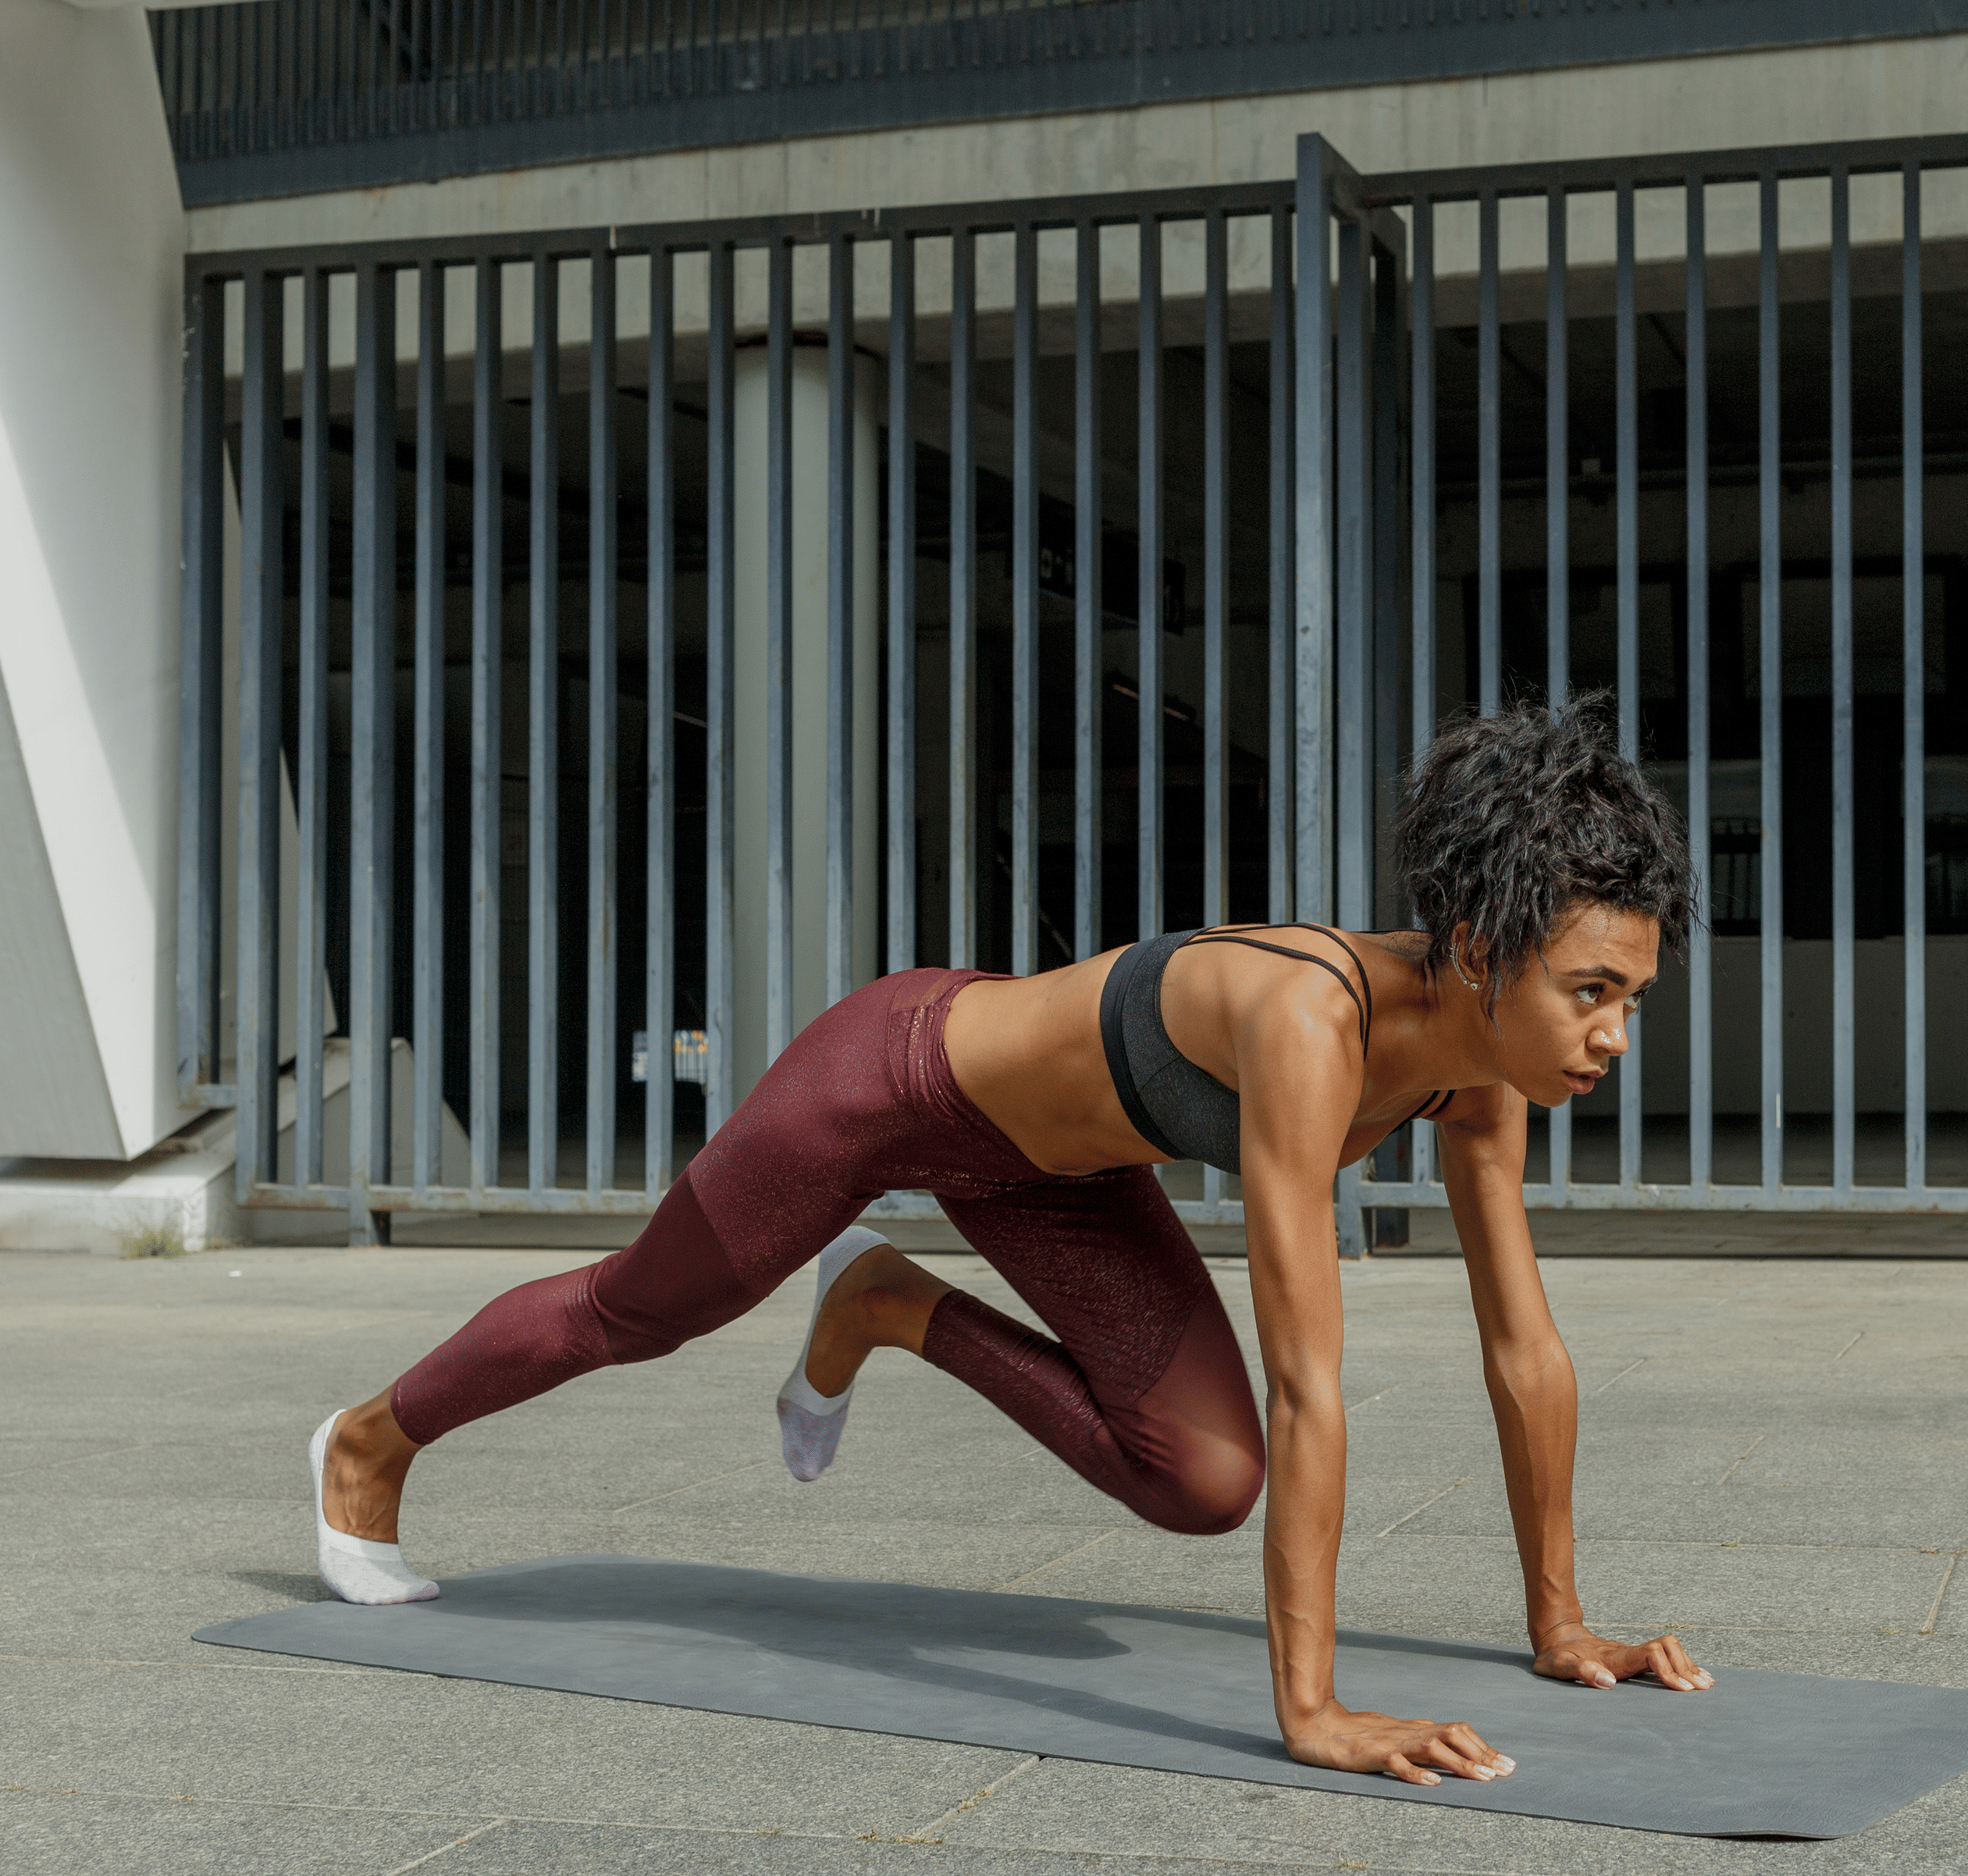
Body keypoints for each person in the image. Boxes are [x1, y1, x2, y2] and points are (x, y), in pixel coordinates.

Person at [308, 695, 1712, 1787]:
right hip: (895, 1081)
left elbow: (1523, 1345)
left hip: (1054, 1175)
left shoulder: (1486, 1074)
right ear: (1479, 946)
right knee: (644, 1307)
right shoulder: (1312, 1020)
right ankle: (372, 1441)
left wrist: (1562, 1623)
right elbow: (1311, 1376)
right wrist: (1316, 1712)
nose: (1612, 1034)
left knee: (1207, 1478)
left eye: (1631, 998)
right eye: (1591, 990)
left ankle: (885, 1303)